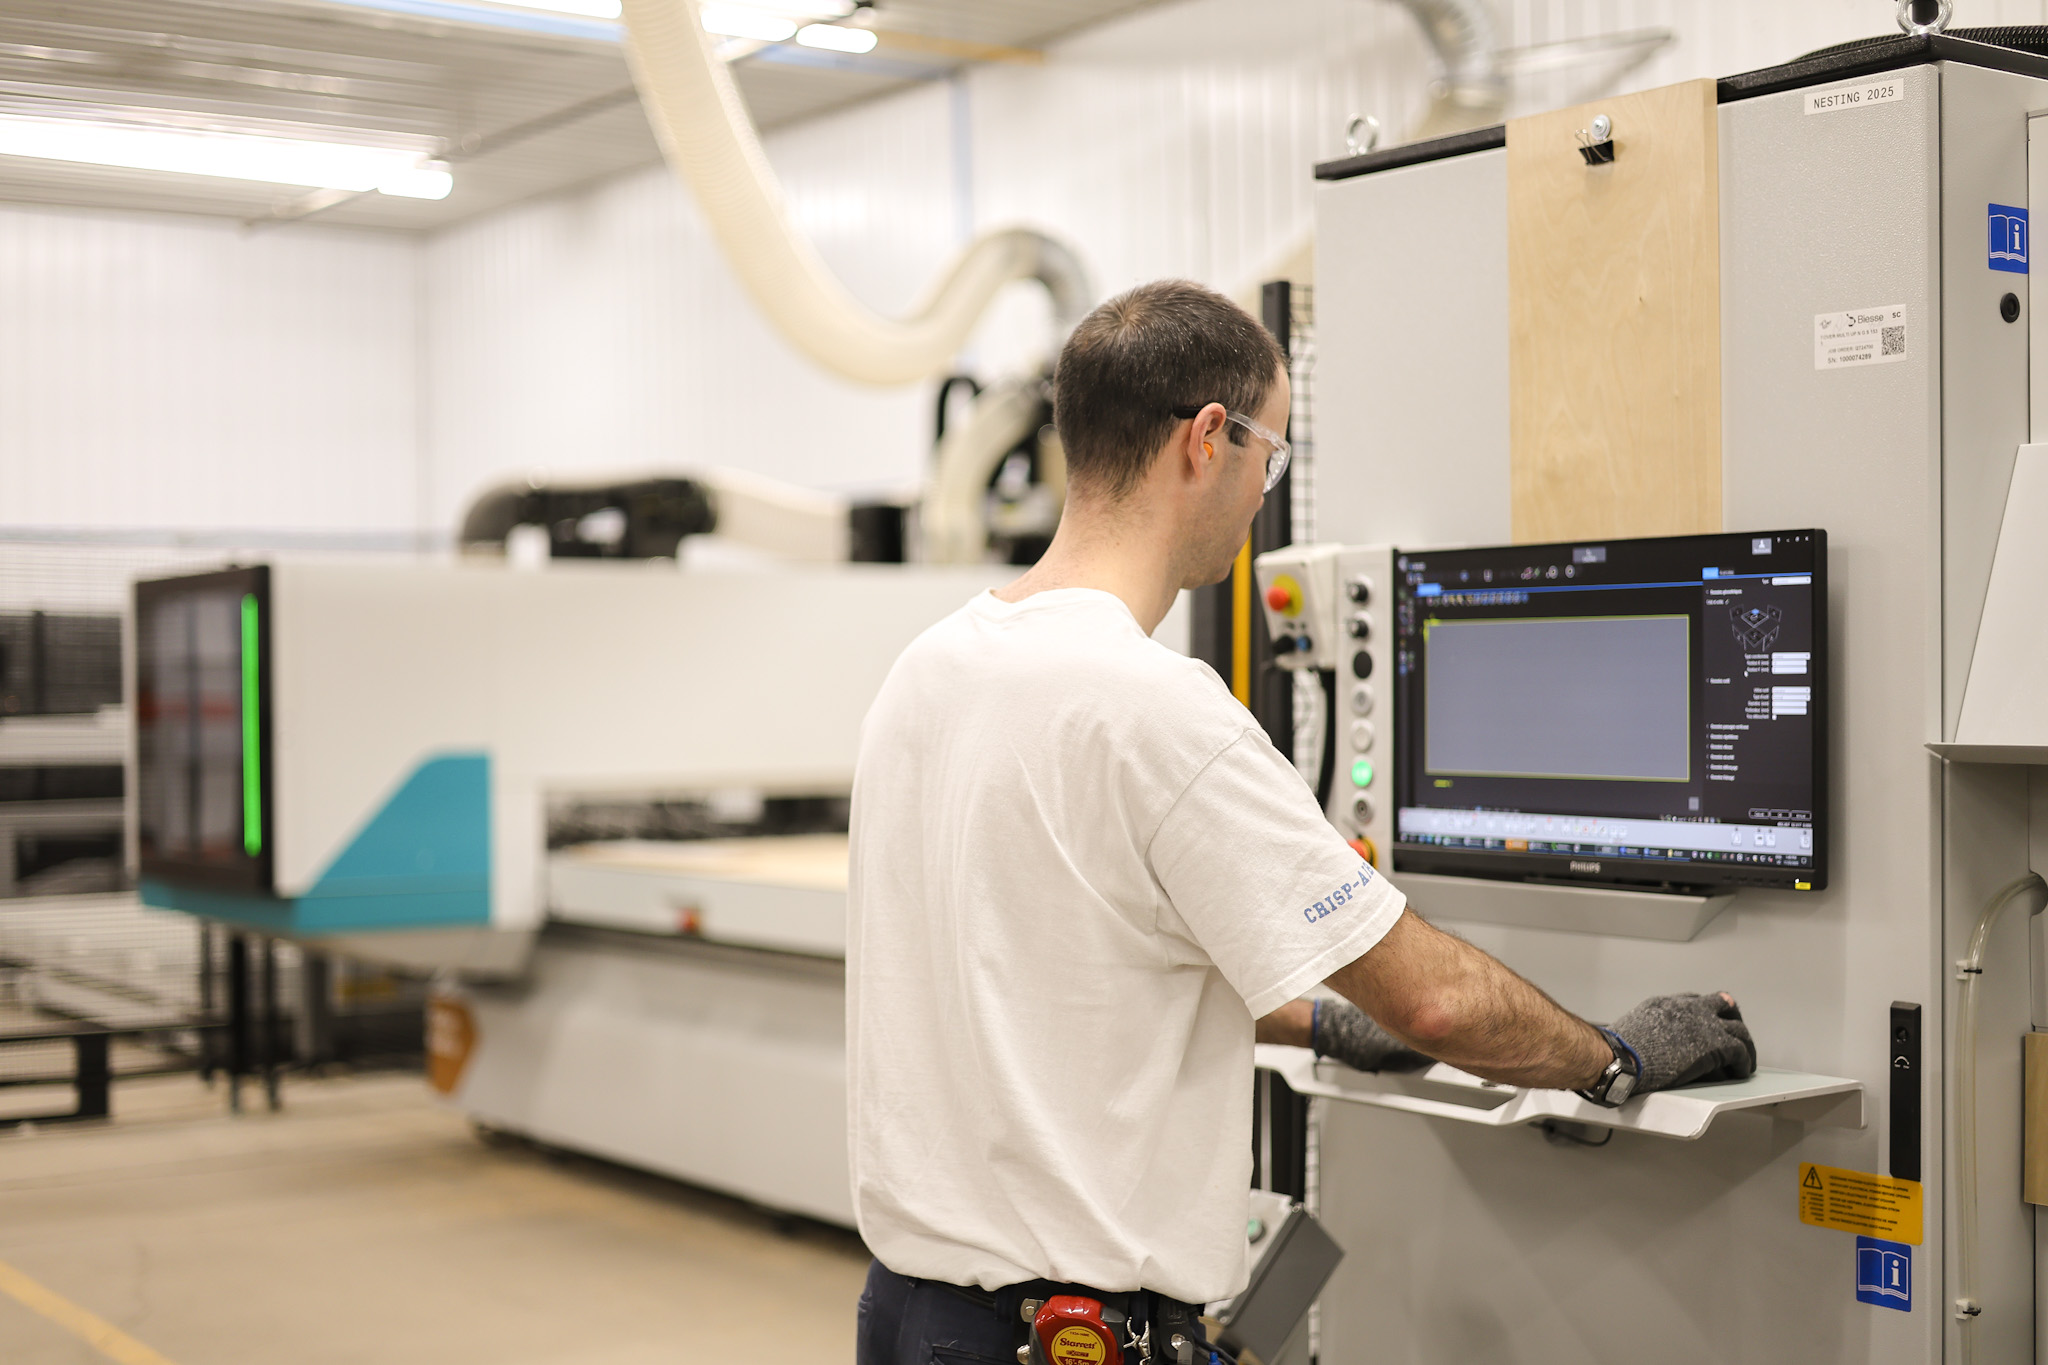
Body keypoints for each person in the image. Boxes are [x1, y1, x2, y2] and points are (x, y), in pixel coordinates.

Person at [846, 279, 1756, 1365]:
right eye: (1269, 458)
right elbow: (1432, 997)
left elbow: (1049, 957)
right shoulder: (1156, 710)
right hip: (1061, 1334)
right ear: (1206, 441)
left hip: (908, 1313)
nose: (1261, 493)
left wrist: (1318, 1019)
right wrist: (1610, 1060)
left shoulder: (929, 669)